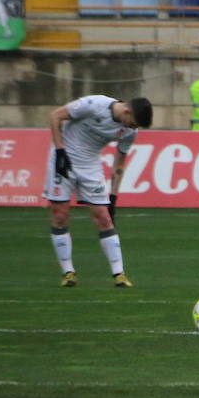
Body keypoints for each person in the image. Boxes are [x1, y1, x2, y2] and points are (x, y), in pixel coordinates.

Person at [45, 94, 154, 288]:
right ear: (127, 111)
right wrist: (60, 151)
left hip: (90, 166)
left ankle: (119, 274)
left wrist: (113, 196)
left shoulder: (129, 132)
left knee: (104, 217)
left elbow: (119, 163)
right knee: (60, 214)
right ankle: (68, 272)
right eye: (133, 123)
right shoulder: (93, 105)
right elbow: (55, 116)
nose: (132, 128)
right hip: (64, 160)